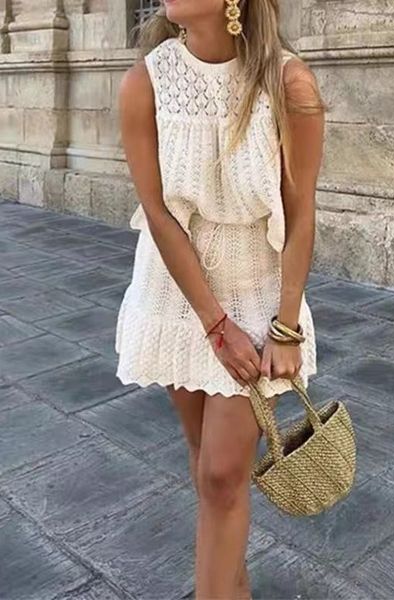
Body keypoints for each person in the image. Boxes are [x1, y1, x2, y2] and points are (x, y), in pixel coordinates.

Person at [115, 1, 326, 598]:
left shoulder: (289, 83)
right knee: (205, 459)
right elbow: (158, 213)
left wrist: (287, 326)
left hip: (258, 291)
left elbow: (301, 213)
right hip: (176, 290)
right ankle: (233, 586)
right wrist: (213, 324)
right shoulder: (145, 83)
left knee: (222, 473)